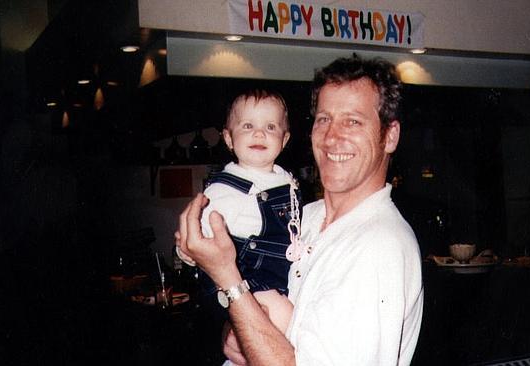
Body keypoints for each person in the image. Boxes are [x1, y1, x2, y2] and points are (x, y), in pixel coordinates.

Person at [177, 55, 424, 366]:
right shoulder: (303, 217)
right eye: (324, 119)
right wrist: (237, 329)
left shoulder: (377, 245)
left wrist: (228, 279)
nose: (333, 136)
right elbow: (261, 324)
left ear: (390, 136)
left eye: (353, 121)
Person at [176, 89, 303, 338]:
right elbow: (195, 231)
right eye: (247, 126)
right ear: (229, 138)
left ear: (284, 140)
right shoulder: (225, 188)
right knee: (285, 320)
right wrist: (187, 251)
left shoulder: (284, 179)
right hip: (246, 279)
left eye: (270, 127)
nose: (259, 133)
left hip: (278, 278)